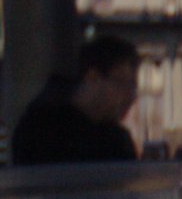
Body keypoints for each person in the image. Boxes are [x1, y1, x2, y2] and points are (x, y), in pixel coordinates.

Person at [9, 30, 142, 166]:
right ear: (93, 77)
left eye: (133, 88)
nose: (130, 97)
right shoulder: (40, 132)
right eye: (121, 84)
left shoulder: (116, 139)